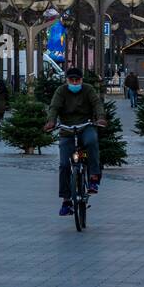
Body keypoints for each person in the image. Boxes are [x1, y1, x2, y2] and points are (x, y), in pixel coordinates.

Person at [42, 67, 106, 216]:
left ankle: (94, 177)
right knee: (64, 164)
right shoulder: (61, 91)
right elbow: (54, 107)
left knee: (91, 141)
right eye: (72, 80)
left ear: (82, 80)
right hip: (67, 129)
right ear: (67, 80)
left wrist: (101, 117)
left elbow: (97, 104)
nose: (75, 82)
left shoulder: (88, 90)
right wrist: (51, 121)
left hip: (86, 126)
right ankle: (66, 201)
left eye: (77, 80)